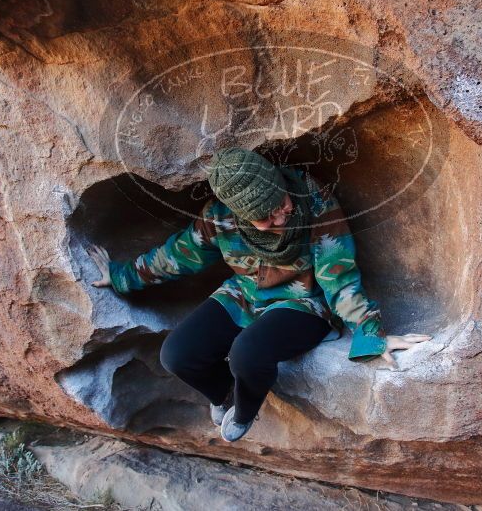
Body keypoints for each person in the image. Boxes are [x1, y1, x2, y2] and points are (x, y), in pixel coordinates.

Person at [87, 147, 431, 442]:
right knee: (176, 355)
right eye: (265, 218)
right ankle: (224, 392)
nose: (281, 216)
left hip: (304, 303)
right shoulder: (220, 218)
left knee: (246, 354)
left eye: (280, 203)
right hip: (244, 296)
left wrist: (371, 332)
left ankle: (244, 412)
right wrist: (123, 277)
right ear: (240, 214)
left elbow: (337, 271)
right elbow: (178, 256)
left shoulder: (312, 201)